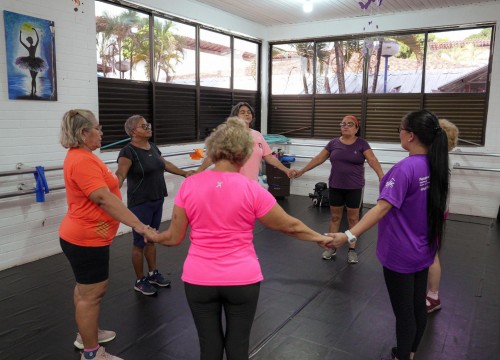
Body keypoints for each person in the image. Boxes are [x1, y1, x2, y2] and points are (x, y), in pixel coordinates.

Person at [144, 117, 333, 360]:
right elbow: (291, 226)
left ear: (212, 151)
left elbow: (173, 238)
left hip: (199, 279)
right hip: (241, 280)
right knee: (238, 346)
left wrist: (154, 236)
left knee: (209, 347)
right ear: (244, 154)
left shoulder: (190, 185)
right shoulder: (252, 189)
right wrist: (319, 237)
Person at [328, 110, 450, 360]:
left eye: (401, 129)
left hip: (401, 254)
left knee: (405, 314)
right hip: (423, 249)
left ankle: (402, 355)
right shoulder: (435, 165)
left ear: (411, 136)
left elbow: (383, 207)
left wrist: (348, 234)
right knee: (417, 307)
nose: (400, 134)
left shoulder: (405, 168)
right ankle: (412, 352)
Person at [59, 109, 150, 360]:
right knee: (92, 295)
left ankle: (86, 334)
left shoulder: (83, 156)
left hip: (84, 236)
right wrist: (139, 225)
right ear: (83, 133)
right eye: (97, 128)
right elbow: (103, 198)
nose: (101, 132)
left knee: (85, 290)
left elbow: (106, 188)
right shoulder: (82, 160)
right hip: (86, 239)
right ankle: (91, 353)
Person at [116, 115, 195, 296]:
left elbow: (165, 164)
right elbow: (120, 174)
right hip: (140, 203)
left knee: (151, 239)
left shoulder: (152, 146)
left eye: (148, 124)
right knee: (138, 244)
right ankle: (140, 280)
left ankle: (152, 274)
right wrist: (111, 189)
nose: (148, 127)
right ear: (133, 131)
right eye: (144, 126)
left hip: (156, 199)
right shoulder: (127, 152)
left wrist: (184, 173)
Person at [291, 115, 384, 264]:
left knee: (353, 219)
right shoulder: (333, 143)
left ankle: (352, 249)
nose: (345, 126)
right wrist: (302, 171)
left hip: (354, 188)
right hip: (336, 186)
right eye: (343, 124)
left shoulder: (362, 144)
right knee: (335, 218)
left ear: (356, 128)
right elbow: (318, 159)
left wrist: (381, 177)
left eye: (349, 124)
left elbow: (372, 160)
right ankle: (331, 247)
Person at [196, 102, 293, 180]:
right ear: (235, 116)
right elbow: (212, 157)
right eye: (242, 112)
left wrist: (286, 170)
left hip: (251, 184)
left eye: (249, 112)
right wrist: (198, 172)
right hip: (231, 183)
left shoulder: (257, 135)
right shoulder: (228, 134)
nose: (247, 114)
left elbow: (269, 158)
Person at [426, 118, 459, 313]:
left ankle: (434, 296)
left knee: (431, 255)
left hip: (435, 211)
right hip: (438, 209)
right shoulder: (444, 159)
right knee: (429, 253)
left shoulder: (437, 162)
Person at [16, 27, 47, 96]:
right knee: (33, 78)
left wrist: (35, 31)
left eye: (31, 40)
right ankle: (33, 90)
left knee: (33, 78)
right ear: (30, 41)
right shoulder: (29, 47)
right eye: (31, 40)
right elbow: (21, 41)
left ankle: (33, 90)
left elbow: (38, 40)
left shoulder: (34, 46)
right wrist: (20, 34)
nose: (31, 41)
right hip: (31, 62)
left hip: (35, 62)